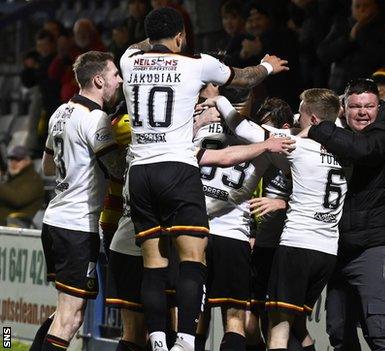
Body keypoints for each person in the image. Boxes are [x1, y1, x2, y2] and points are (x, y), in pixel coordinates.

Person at [119, 7, 288, 351]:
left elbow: (144, 45)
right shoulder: (197, 64)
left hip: (139, 172)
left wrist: (155, 35)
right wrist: (268, 65)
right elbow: (243, 78)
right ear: (180, 36)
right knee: (193, 258)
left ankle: (157, 340)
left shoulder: (128, 59)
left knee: (153, 262)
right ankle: (183, 341)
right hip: (177, 169)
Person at [204, 88, 346, 351]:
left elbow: (249, 131)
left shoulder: (299, 147)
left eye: (300, 114)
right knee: (299, 325)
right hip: (327, 251)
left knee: (278, 331)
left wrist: (221, 101)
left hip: (297, 246)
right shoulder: (349, 151)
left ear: (313, 119)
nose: (295, 121)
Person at [307, 79, 385, 350]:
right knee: (338, 331)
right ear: (343, 108)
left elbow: (363, 150)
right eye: (355, 106)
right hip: (340, 248)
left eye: (369, 106)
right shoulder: (340, 136)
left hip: (374, 247)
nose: (363, 112)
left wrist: (319, 128)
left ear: (378, 107)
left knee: (379, 331)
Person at [36, 50, 125, 351]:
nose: (120, 80)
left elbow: (47, 166)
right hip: (77, 226)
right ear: (99, 80)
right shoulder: (96, 117)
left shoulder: (60, 112)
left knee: (64, 310)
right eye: (115, 75)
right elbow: (117, 171)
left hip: (54, 221)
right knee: (71, 318)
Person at [193, 97, 294, 351]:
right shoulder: (264, 139)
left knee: (192, 316)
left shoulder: (198, 124)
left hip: (193, 229)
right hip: (232, 233)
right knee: (236, 319)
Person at [317, 0, 385, 92]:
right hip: (339, 86)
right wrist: (350, 38)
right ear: (351, 8)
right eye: (357, 6)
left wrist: (361, 30)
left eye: (366, 6)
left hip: (366, 89)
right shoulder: (342, 25)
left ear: (375, 8)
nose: (361, 10)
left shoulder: (384, 29)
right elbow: (324, 53)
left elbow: (380, 56)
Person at [0, 145, 44, 227]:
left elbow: (17, 199)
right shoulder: (10, 178)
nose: (13, 163)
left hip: (17, 225)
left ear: (28, 161)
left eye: (18, 159)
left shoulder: (33, 180)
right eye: (11, 159)